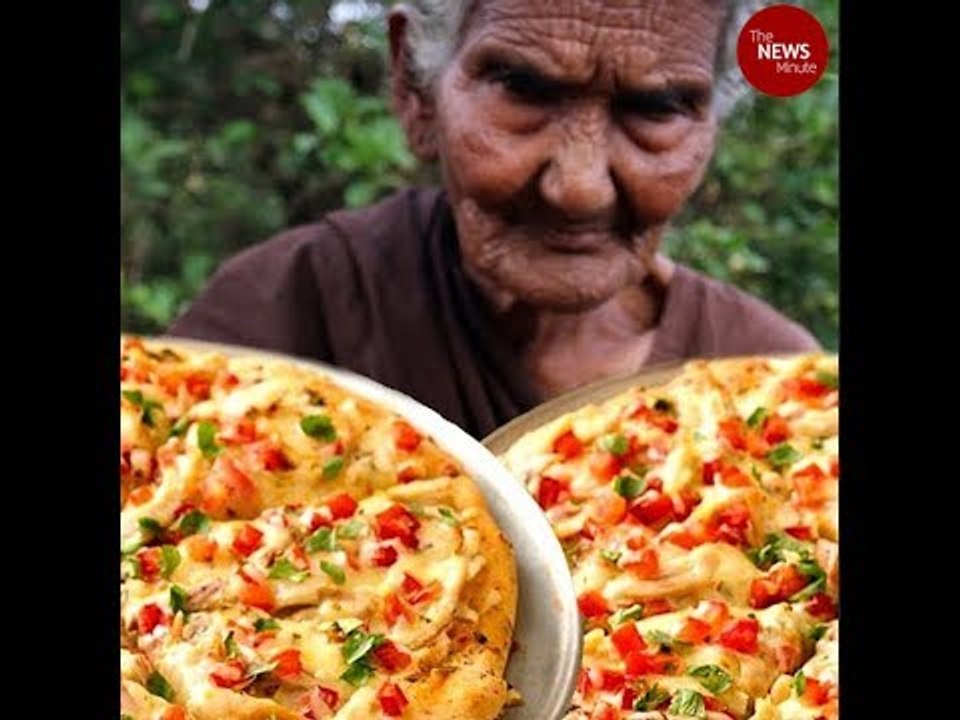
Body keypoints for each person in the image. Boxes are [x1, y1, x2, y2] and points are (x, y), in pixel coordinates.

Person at [170, 0, 822, 439]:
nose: (579, 187)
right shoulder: (289, 308)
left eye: (658, 107)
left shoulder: (777, 384)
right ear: (414, 85)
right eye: (525, 89)